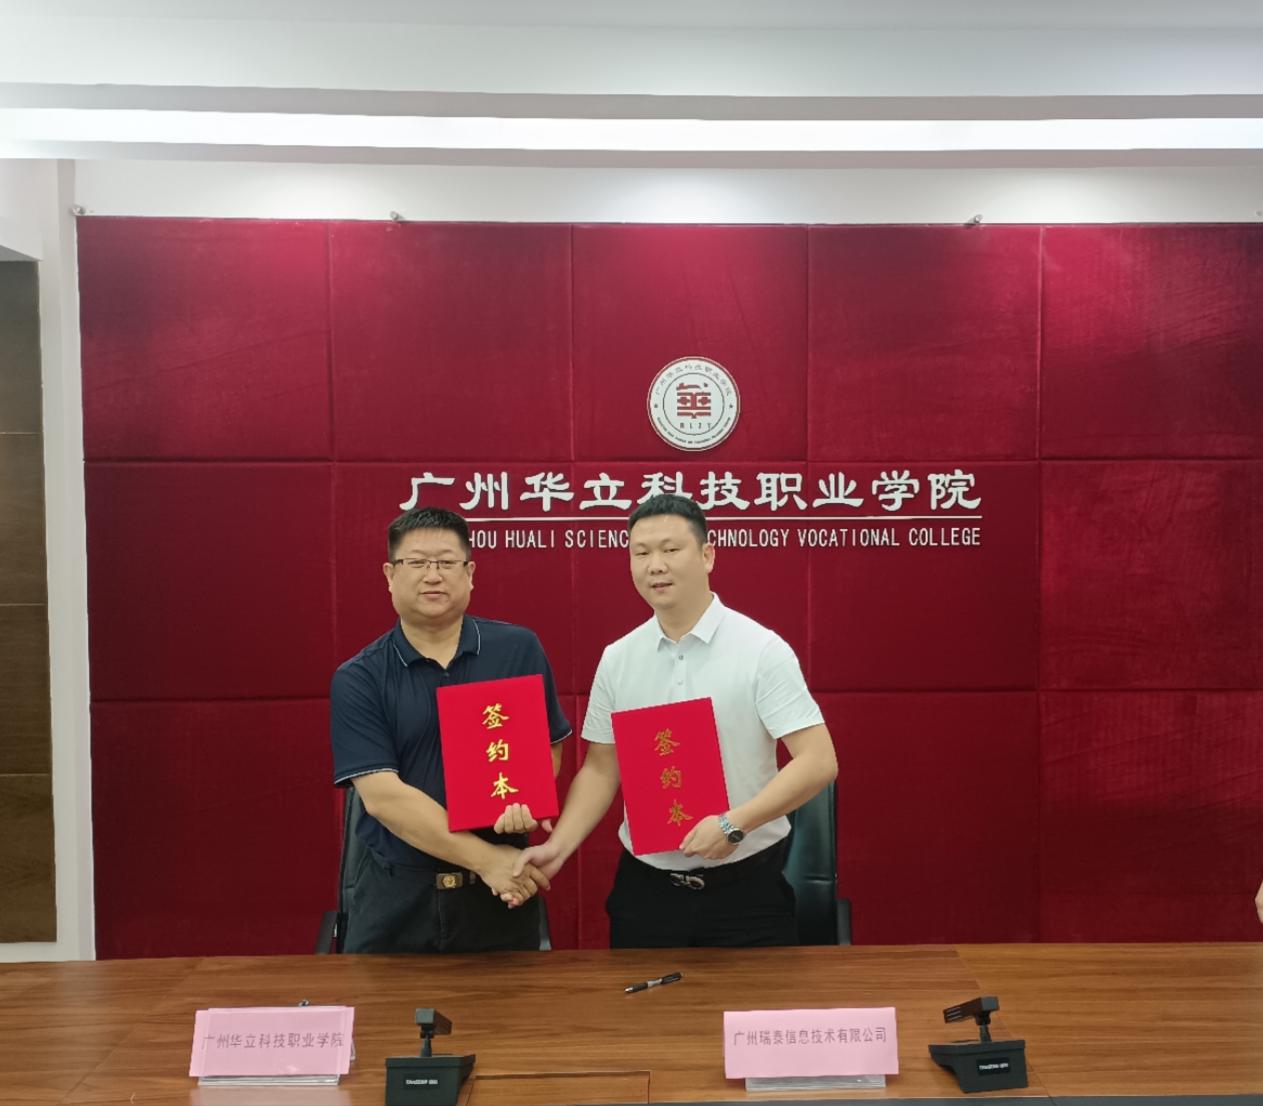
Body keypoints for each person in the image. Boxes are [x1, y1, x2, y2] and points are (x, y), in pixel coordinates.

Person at [516, 494, 836, 947]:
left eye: (670, 549)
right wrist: (558, 848)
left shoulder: (760, 650)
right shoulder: (619, 658)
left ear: (707, 556)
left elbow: (818, 761)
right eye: (641, 553)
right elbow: (602, 768)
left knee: (753, 998)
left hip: (747, 891)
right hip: (646, 891)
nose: (655, 566)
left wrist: (735, 823)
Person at [330, 506, 570, 953]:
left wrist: (526, 798)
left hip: (500, 898)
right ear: (389, 574)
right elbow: (383, 798)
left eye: (445, 562)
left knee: (512, 999)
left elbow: (547, 748)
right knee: (385, 1002)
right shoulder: (360, 677)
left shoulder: (517, 650)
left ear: (470, 573)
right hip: (398, 897)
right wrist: (487, 860)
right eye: (417, 563)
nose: (433, 575)